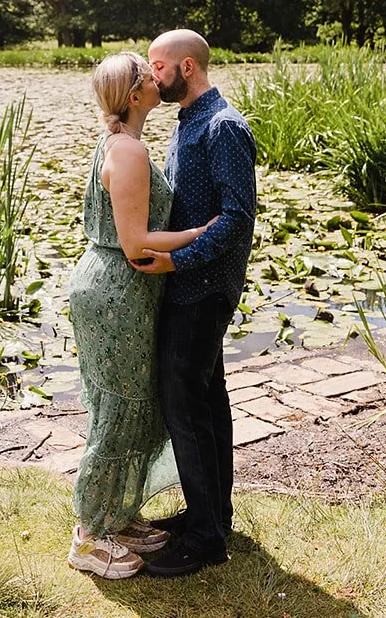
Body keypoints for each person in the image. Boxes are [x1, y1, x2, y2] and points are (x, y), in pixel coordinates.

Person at [65, 51, 218, 579]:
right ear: (134, 97)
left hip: (121, 290)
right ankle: (88, 535)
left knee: (130, 403)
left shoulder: (124, 143)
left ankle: (116, 515)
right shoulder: (127, 151)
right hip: (117, 293)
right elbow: (135, 243)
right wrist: (201, 235)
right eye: (147, 76)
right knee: (118, 410)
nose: (159, 79)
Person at [131, 29, 257, 578]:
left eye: (157, 67)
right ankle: (212, 515)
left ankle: (206, 539)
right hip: (189, 285)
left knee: (185, 405)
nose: (150, 76)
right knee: (207, 404)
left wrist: (177, 262)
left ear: (186, 66)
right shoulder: (189, 124)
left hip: (203, 288)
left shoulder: (224, 126)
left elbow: (236, 217)